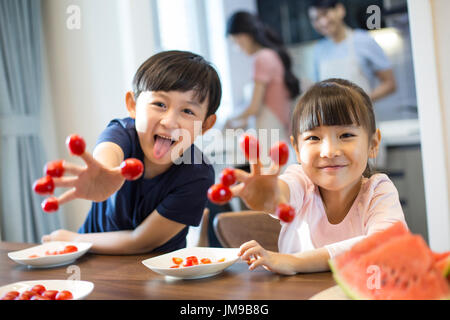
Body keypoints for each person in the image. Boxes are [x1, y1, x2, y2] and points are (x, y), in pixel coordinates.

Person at [41, 50, 221, 254]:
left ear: (206, 125)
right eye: (160, 104)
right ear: (132, 105)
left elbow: (142, 241)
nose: (170, 122)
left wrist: (74, 239)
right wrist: (105, 172)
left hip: (159, 275)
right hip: (91, 262)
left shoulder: (197, 173)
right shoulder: (122, 132)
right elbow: (108, 156)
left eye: (188, 111)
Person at [231, 78, 406, 274]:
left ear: (373, 144)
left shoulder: (379, 190)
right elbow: (282, 195)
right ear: (297, 149)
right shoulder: (300, 181)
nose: (329, 151)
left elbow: (386, 243)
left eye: (346, 135)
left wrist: (294, 261)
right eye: (313, 138)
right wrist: (270, 197)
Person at [225, 11, 300, 146]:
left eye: (236, 42)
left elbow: (254, 107)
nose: (238, 48)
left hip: (270, 132)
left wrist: (228, 119)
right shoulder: (271, 55)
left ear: (245, 36)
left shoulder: (262, 58)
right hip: (277, 132)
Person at [309, 0, 396, 102]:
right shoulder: (319, 50)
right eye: (316, 19)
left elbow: (390, 84)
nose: (323, 22)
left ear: (340, 10)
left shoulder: (364, 40)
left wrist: (361, 102)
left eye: (325, 13)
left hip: (360, 115)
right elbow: (317, 87)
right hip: (330, 116)